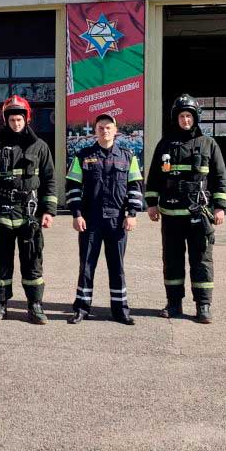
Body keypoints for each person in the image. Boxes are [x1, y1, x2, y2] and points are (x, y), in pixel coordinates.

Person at [144, 94, 226, 324]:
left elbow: (220, 178)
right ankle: (174, 303)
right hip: (171, 216)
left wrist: (219, 207)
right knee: (171, 260)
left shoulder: (208, 144)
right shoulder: (165, 144)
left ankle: (203, 305)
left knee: (201, 259)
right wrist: (151, 204)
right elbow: (154, 177)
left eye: (189, 116)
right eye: (181, 116)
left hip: (198, 214)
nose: (185, 120)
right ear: (176, 118)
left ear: (195, 118)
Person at [0, 95, 56, 325]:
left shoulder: (40, 146)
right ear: (6, 120)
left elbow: (49, 180)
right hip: (1, 212)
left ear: (26, 118)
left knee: (32, 261)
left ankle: (35, 305)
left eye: (19, 119)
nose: (16, 123)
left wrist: (49, 210)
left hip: (29, 214)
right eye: (12, 119)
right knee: (0, 261)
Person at [65, 114, 144, 325]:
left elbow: (135, 187)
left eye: (108, 127)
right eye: (101, 127)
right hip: (90, 220)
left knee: (117, 266)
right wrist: (76, 214)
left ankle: (120, 310)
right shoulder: (83, 155)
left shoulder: (128, 157)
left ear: (115, 130)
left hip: (117, 221)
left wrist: (132, 214)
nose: (105, 131)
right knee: (87, 266)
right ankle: (82, 308)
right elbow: (73, 187)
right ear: (95, 130)